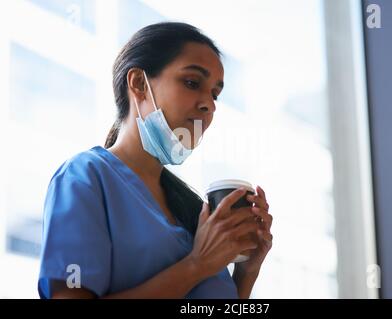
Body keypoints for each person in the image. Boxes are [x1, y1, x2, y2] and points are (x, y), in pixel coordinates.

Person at [38, 22, 273, 299]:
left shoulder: (193, 208)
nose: (209, 104)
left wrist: (246, 272)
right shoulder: (83, 178)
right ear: (138, 83)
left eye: (215, 94)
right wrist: (196, 266)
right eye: (192, 83)